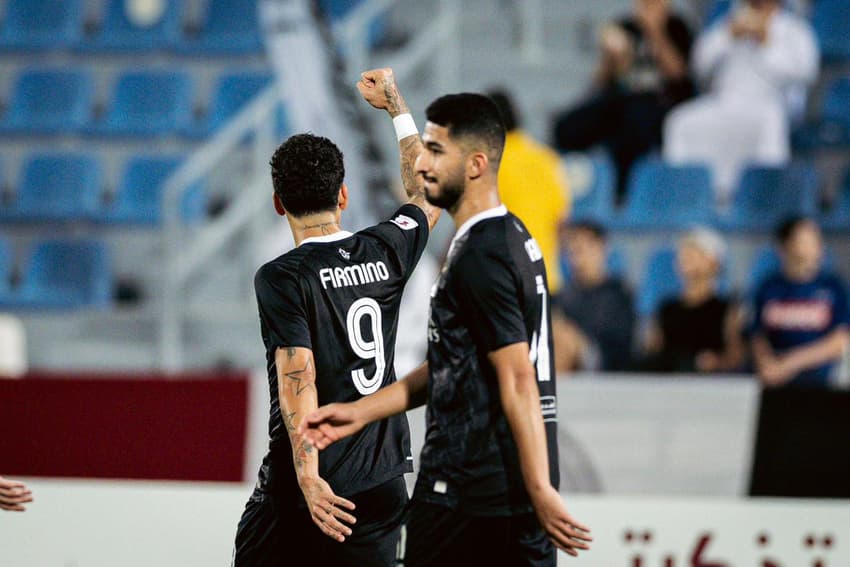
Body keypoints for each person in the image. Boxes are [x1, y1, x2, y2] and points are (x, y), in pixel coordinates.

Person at [301, 76, 592, 566]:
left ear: (476, 165)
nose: (423, 163)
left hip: (469, 490)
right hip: (498, 489)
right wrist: (362, 412)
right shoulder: (511, 236)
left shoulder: (481, 256)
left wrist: (540, 486)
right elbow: (452, 364)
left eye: (437, 151)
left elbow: (518, 377)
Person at [232, 68, 440, 567]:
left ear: (279, 203)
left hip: (311, 489)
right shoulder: (386, 249)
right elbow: (428, 195)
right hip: (383, 480)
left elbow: (296, 375)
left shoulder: (282, 277)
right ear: (342, 196)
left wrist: (308, 477)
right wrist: (397, 108)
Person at [663, 0, 819, 201]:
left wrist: (766, 41)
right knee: (679, 121)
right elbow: (699, 65)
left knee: (768, 123)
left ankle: (766, 198)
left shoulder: (795, 29)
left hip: (770, 105)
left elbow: (805, 73)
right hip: (724, 102)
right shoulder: (728, 24)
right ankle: (685, 195)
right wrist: (728, 35)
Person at [552, 0, 694, 202]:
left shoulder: (677, 27)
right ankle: (565, 187)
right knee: (566, 126)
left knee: (633, 126)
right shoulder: (624, 27)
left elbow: (678, 75)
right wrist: (611, 58)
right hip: (620, 101)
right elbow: (602, 82)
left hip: (661, 104)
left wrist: (655, 31)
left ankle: (623, 194)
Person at [750, 217, 850, 389]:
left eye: (816, 239)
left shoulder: (833, 287)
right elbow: (757, 335)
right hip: (774, 383)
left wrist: (790, 363)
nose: (814, 246)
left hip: (820, 384)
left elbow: (839, 340)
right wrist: (767, 365)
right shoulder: (768, 287)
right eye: (804, 240)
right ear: (784, 246)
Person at [488, 89, 571, 293]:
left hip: (504, 283)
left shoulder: (489, 164)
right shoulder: (548, 159)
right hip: (545, 279)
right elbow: (561, 222)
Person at [644, 227, 745, 373]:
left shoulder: (727, 309)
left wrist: (716, 362)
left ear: (714, 262)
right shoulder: (666, 308)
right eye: (684, 252)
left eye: (695, 252)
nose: (686, 256)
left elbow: (737, 357)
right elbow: (652, 351)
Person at [554, 220, 635, 372]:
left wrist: (577, 342)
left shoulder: (619, 294)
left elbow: (620, 347)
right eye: (571, 252)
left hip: (606, 367)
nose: (576, 259)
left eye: (581, 250)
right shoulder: (562, 296)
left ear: (601, 248)